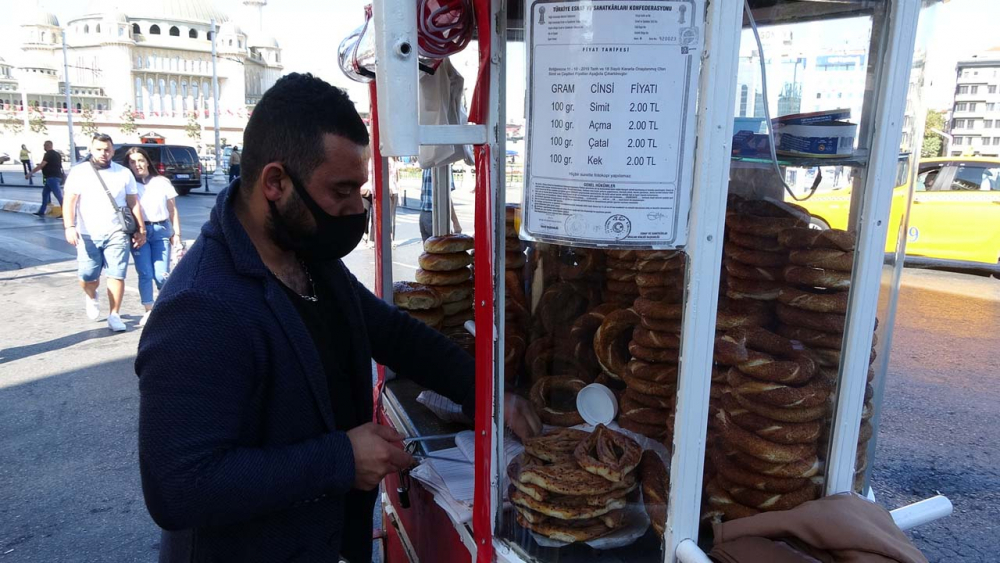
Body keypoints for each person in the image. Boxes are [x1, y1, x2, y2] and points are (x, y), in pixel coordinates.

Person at [135, 73, 540, 563]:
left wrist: (491, 398)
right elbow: (179, 488)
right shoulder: (202, 307)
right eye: (342, 190)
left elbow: (392, 333)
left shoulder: (309, 258)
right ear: (275, 183)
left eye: (360, 189)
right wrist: (340, 460)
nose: (357, 208)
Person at [62, 134, 146, 332]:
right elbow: (70, 201)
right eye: (99, 149)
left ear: (113, 151)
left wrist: (140, 229)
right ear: (91, 149)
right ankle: (91, 296)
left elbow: (133, 202)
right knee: (87, 275)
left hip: (117, 232)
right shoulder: (79, 172)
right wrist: (69, 226)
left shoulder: (123, 173)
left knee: (117, 274)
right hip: (87, 234)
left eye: (107, 149)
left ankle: (114, 314)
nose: (103, 153)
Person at [125, 147, 181, 327]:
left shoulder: (161, 182)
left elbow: (172, 209)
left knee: (161, 275)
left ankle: (164, 306)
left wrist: (177, 234)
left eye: (140, 160)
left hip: (161, 229)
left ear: (147, 161)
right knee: (145, 273)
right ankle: (149, 310)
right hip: (139, 233)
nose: (137, 165)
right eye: (132, 162)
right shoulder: (129, 185)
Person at [419, 167, 463, 242]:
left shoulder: (427, 165)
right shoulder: (445, 166)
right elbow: (446, 196)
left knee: (429, 251)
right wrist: (456, 223)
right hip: (436, 217)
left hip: (423, 216)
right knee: (447, 249)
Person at [27, 140, 64, 216]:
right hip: (56, 176)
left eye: (44, 145)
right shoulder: (57, 154)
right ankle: (41, 211)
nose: (43, 147)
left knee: (58, 195)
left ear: (48, 146)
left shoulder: (48, 154)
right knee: (45, 194)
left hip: (52, 177)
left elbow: (42, 165)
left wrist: (30, 173)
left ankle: (66, 212)